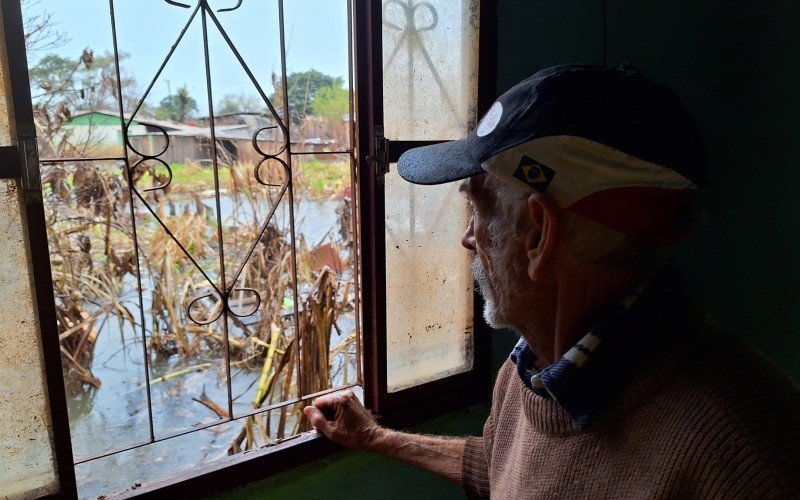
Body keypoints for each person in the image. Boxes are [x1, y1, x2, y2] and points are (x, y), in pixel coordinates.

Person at [303, 65, 800, 498]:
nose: (467, 238)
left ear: (539, 233)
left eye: (477, 210)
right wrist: (376, 438)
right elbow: (509, 471)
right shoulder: (535, 367)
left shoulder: (747, 456)